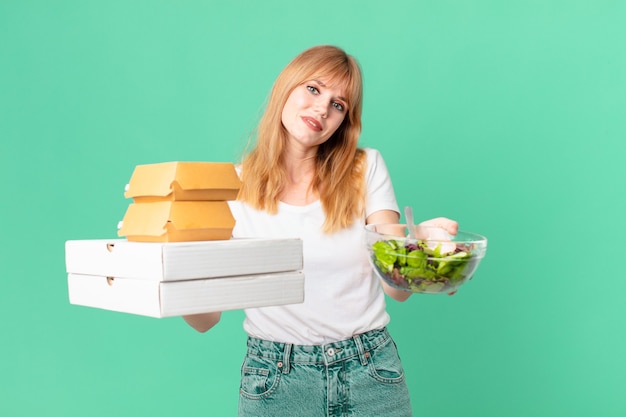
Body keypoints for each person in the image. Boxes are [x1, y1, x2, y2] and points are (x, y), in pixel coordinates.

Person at [183, 45, 458, 417]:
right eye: (313, 89)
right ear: (287, 87)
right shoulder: (230, 187)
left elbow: (397, 288)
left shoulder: (365, 168)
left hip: (370, 370)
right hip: (275, 379)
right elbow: (206, 319)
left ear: (345, 120)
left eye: (338, 104)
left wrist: (422, 250)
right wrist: (176, 269)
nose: (322, 109)